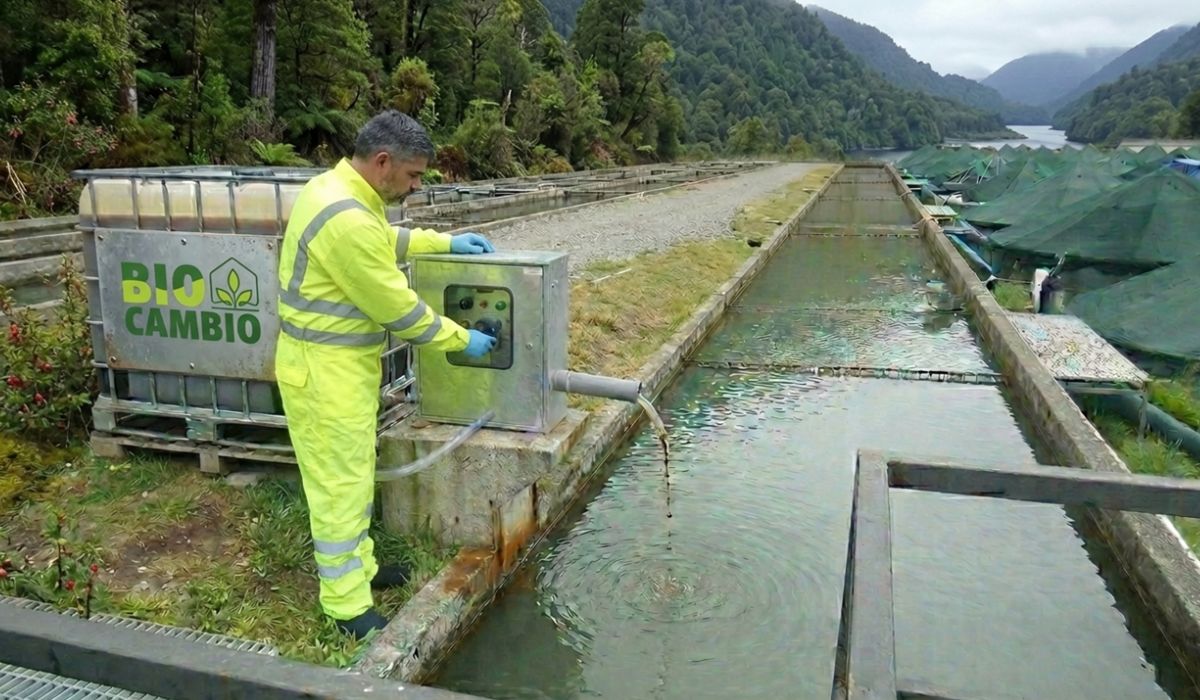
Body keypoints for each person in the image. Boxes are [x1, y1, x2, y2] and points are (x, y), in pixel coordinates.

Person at [275, 110, 498, 639]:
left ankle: (364, 573)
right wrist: (461, 339)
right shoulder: (347, 217)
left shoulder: (339, 191)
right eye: (414, 175)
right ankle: (347, 608)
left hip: (334, 369)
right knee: (341, 487)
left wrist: (444, 243)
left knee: (352, 480)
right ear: (383, 163)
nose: (416, 186)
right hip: (324, 375)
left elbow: (384, 244)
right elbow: (399, 310)